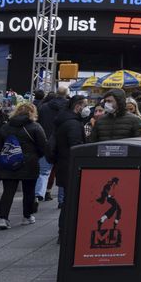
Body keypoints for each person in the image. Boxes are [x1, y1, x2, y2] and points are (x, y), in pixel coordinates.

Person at [0, 102, 49, 229]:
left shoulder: (5, 127)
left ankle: (3, 218)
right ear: (33, 113)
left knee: (8, 192)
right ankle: (27, 216)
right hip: (29, 163)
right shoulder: (35, 127)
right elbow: (43, 146)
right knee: (29, 191)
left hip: (8, 162)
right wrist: (35, 155)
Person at [48, 95, 87, 237]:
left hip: (62, 165)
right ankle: (65, 232)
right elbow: (76, 147)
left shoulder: (63, 120)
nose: (86, 109)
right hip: (71, 166)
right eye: (85, 105)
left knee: (67, 200)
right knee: (71, 201)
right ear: (78, 106)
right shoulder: (73, 123)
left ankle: (63, 230)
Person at [37, 86, 69, 202]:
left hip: (46, 140)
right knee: (62, 171)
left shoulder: (44, 107)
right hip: (62, 141)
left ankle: (39, 194)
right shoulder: (68, 106)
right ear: (66, 93)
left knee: (44, 171)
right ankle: (61, 200)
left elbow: (39, 123)